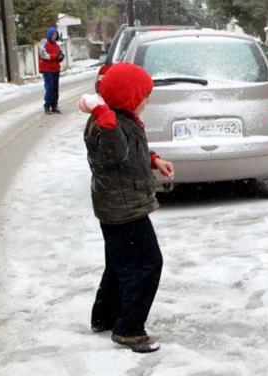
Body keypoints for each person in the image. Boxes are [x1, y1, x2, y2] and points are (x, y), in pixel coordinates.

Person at [78, 62, 175, 353]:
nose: (146, 101)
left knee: (120, 264)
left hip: (121, 205)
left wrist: (153, 159)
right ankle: (129, 329)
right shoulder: (106, 124)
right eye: (143, 96)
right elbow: (116, 152)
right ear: (127, 96)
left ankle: (105, 317)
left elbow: (130, 151)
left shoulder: (121, 118)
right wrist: (104, 117)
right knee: (148, 264)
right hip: (123, 211)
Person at [38, 27, 65, 114]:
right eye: (53, 35)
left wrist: (61, 57)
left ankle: (54, 106)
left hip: (55, 69)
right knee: (49, 88)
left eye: (56, 35)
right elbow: (43, 54)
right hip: (47, 69)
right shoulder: (44, 43)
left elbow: (60, 54)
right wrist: (55, 57)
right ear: (49, 35)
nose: (54, 36)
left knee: (55, 89)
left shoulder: (57, 45)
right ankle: (47, 106)